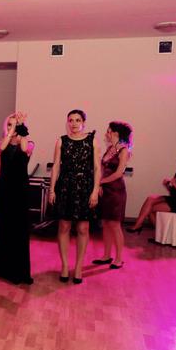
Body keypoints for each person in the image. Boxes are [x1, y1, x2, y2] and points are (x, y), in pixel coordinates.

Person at [48, 109, 101, 285]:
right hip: (65, 187)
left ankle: (78, 267)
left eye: (78, 120)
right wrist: (52, 190)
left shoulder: (92, 141)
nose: (74, 123)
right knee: (64, 226)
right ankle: (64, 266)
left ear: (83, 123)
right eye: (71, 120)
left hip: (85, 188)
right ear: (67, 123)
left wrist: (95, 190)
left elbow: (97, 168)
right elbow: (56, 166)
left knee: (83, 228)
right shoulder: (61, 141)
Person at [0, 112, 35, 285]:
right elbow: (3, 147)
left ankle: (18, 271)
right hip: (4, 189)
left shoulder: (28, 142)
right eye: (8, 124)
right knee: (3, 226)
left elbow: (24, 149)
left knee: (18, 228)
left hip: (20, 190)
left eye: (14, 124)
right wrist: (12, 129)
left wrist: (21, 128)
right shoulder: (1, 142)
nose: (11, 127)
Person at [92, 121, 132, 269]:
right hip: (105, 190)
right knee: (106, 223)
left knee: (115, 224)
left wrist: (100, 182)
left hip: (116, 191)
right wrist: (99, 184)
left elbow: (118, 173)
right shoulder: (110, 148)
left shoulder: (124, 150)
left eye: (108, 131)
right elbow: (102, 168)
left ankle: (119, 258)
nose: (106, 133)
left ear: (116, 133)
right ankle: (106, 255)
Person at [128, 156, 176, 233]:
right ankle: (140, 226)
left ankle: (140, 226)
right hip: (174, 199)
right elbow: (174, 192)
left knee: (150, 209)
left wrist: (175, 185)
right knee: (150, 199)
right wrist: (167, 185)